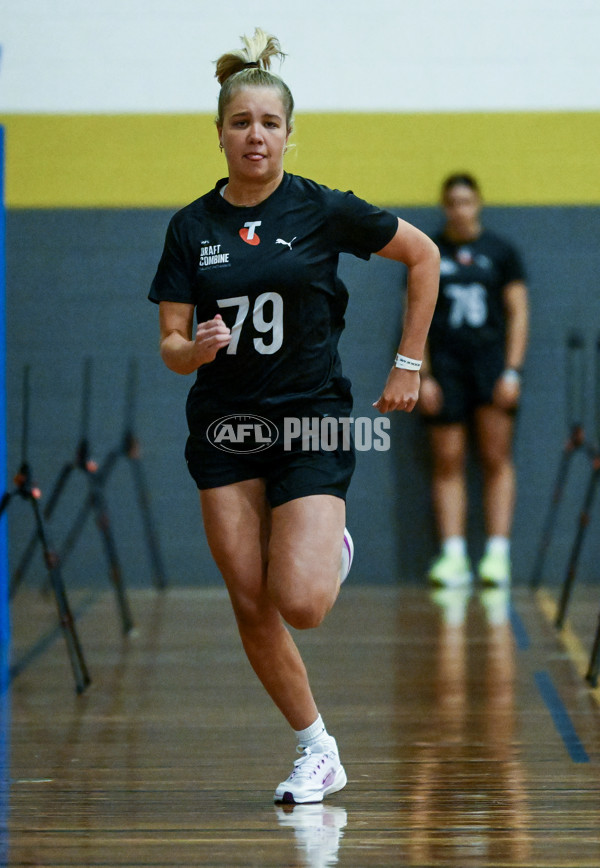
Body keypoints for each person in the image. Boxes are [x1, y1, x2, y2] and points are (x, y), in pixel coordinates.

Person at [148, 27, 439, 804]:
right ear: (219, 134)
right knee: (251, 601)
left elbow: (424, 256)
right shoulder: (191, 228)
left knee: (301, 604)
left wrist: (408, 362)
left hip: (311, 421)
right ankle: (317, 748)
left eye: (269, 123)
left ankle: (322, 542)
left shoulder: (322, 210)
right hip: (224, 427)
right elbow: (170, 345)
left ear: (288, 134)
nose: (255, 135)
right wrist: (195, 349)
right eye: (241, 122)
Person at [419, 173, 529, 588]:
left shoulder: (501, 252)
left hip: (490, 363)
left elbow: (518, 312)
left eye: (467, 201)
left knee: (495, 457)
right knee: (447, 461)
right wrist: (423, 374)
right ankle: (453, 557)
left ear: (478, 203)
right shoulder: (429, 252)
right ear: (444, 206)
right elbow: (418, 318)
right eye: (452, 202)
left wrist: (512, 369)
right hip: (446, 367)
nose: (460, 209)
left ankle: (498, 555)